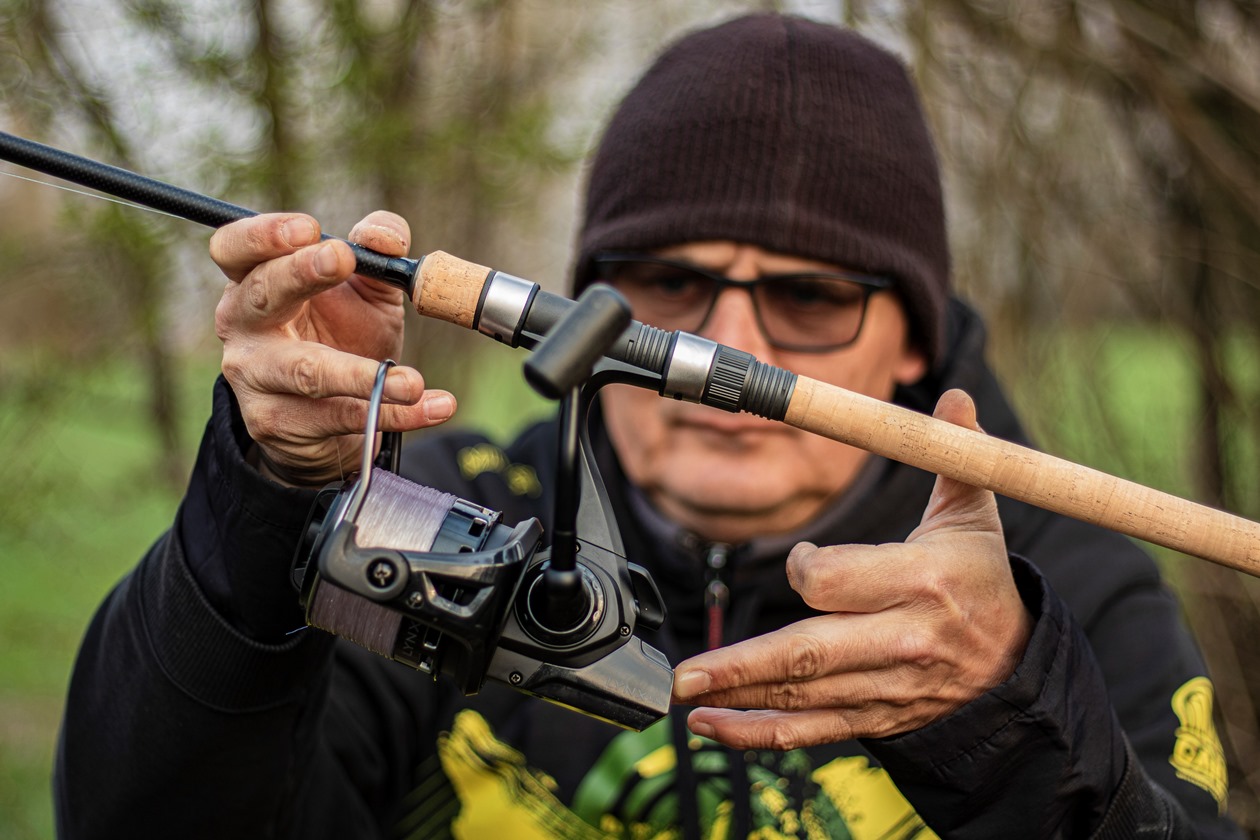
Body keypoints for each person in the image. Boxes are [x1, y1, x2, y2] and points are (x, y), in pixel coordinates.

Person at [54, 13, 1239, 839]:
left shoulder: (1068, 589)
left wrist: (1010, 726)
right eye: (668, 284)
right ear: (582, 308)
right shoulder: (432, 519)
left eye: (811, 296)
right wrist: (271, 498)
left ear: (915, 347)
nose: (730, 343)